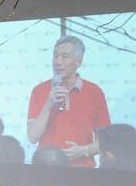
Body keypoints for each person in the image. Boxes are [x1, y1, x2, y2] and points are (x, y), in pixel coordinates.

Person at [27, 35, 110, 167]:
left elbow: (106, 141)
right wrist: (49, 104)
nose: (58, 62)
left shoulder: (94, 92)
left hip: (82, 170)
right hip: (46, 169)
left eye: (64, 57)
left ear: (79, 61)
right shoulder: (39, 90)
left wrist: (84, 151)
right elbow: (32, 137)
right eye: (55, 56)